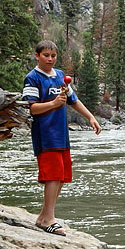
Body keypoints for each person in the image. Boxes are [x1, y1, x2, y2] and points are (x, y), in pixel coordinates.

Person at [22, 40, 102, 236]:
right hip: (45, 133)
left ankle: (43, 216)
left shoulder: (60, 76)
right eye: (46, 55)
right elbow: (30, 107)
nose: (50, 59)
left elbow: (73, 101)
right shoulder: (32, 78)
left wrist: (90, 117)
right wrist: (53, 103)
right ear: (37, 56)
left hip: (61, 135)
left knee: (63, 176)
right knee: (53, 175)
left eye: (53, 56)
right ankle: (49, 219)